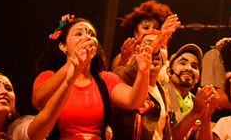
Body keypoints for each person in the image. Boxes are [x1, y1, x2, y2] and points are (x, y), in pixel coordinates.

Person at [31, 14, 163, 140]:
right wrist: (73, 62)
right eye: (78, 34)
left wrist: (143, 72)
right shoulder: (49, 76)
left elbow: (133, 101)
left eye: (91, 34)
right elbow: (38, 100)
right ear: (63, 46)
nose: (87, 37)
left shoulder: (105, 79)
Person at [166, 44, 219, 139]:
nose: (189, 68)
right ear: (169, 72)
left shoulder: (197, 103)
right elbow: (168, 137)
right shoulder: (160, 95)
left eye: (194, 66)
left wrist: (206, 117)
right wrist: (194, 113)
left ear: (197, 78)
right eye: (182, 63)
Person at [113, 0, 175, 69]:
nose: (151, 31)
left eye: (156, 28)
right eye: (146, 28)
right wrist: (124, 60)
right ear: (135, 33)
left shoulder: (164, 58)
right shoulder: (121, 57)